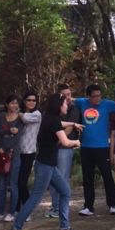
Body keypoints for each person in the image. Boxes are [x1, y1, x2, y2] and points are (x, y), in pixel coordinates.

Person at [9, 93, 83, 230]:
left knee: (65, 191)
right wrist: (76, 142)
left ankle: (65, 228)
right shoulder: (53, 121)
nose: (67, 106)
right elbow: (65, 142)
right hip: (45, 166)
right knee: (35, 198)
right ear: (58, 105)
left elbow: (60, 125)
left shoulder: (47, 118)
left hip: (47, 164)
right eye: (64, 104)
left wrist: (72, 124)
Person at [74, 84, 115, 216]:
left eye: (99, 95)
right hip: (86, 148)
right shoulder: (82, 103)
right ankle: (88, 206)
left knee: (107, 176)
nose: (97, 98)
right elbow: (70, 99)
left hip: (102, 147)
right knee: (88, 178)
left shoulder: (108, 104)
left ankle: (113, 204)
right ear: (88, 96)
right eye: (94, 96)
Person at [48, 83, 81, 218]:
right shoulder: (54, 109)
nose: (68, 97)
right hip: (53, 148)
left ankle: (60, 208)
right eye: (65, 95)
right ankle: (55, 206)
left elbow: (68, 129)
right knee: (52, 177)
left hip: (64, 147)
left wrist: (59, 139)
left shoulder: (73, 109)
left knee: (62, 177)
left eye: (69, 94)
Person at [0, 95, 24, 222]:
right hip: (1, 153)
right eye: (12, 103)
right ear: (7, 104)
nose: (14, 106)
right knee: (1, 185)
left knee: (13, 184)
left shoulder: (20, 118)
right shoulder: (1, 117)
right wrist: (9, 131)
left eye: (16, 103)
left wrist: (6, 145)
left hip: (14, 154)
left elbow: (18, 136)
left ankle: (11, 212)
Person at [17, 91, 41, 215]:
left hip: (29, 151)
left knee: (22, 181)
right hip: (17, 151)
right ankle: (16, 208)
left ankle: (26, 210)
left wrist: (18, 113)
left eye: (33, 100)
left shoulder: (37, 114)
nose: (31, 102)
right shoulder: (20, 113)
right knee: (16, 181)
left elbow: (25, 118)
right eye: (29, 100)